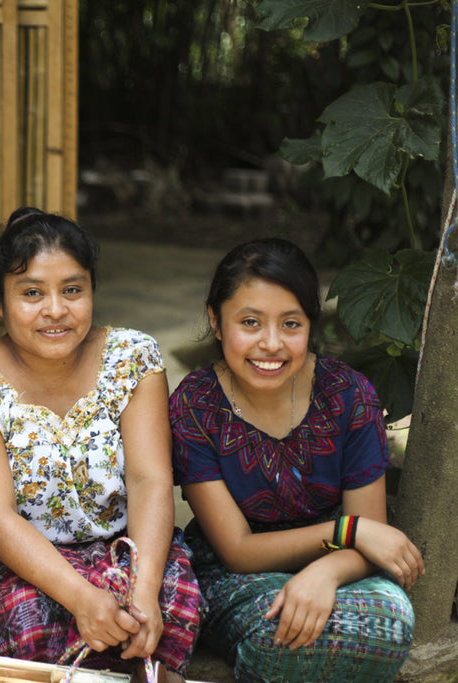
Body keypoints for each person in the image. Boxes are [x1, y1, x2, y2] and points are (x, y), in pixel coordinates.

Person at [0, 207, 202, 682]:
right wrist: (82, 598)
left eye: (72, 290)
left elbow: (150, 480)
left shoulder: (131, 358)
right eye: (32, 293)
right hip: (22, 563)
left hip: (125, 548)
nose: (55, 310)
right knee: (32, 619)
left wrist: (143, 589)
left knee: (159, 611)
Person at [169, 237, 424, 682]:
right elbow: (239, 550)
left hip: (341, 565)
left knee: (392, 616)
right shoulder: (195, 404)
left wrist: (325, 571)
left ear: (311, 323)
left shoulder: (348, 394)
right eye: (250, 322)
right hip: (235, 575)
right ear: (216, 320)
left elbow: (372, 536)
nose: (271, 344)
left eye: (291, 324)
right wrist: (347, 532)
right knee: (279, 634)